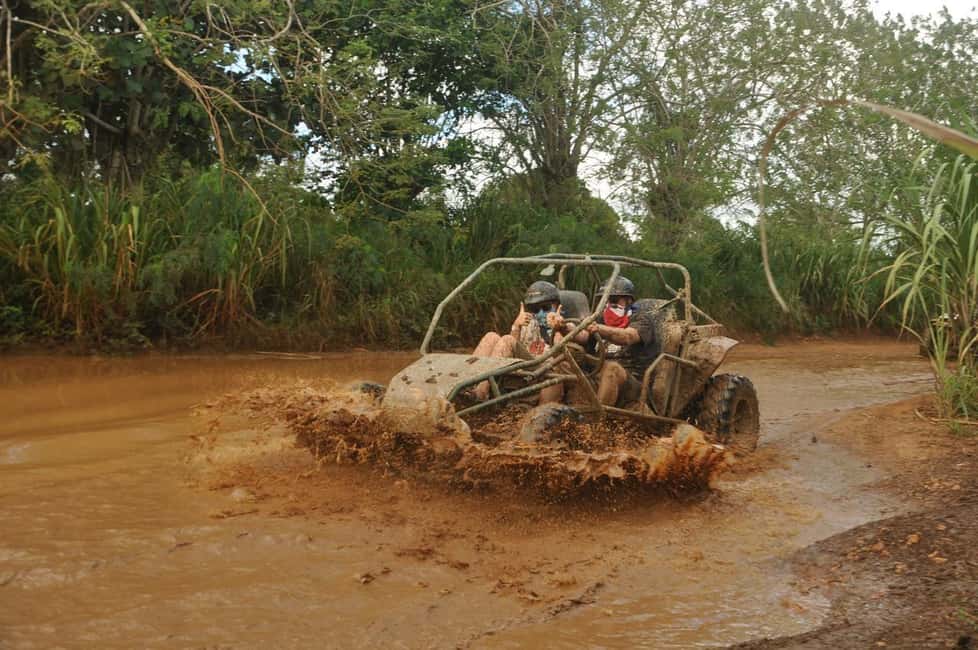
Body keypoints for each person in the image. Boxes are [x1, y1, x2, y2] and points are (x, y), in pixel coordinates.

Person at [472, 280, 585, 402]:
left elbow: (582, 336)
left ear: (557, 306)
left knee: (507, 340)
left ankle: (481, 393)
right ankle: (467, 386)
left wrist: (560, 328)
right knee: (491, 337)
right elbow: (509, 352)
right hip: (525, 371)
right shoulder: (529, 324)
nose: (540, 313)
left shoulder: (565, 325)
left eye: (546, 307)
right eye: (535, 309)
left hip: (547, 372)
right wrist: (516, 326)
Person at [586, 276, 659, 407]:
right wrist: (563, 326)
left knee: (611, 368)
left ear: (628, 300)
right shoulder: (599, 319)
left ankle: (597, 418)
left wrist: (599, 329)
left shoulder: (641, 319)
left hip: (633, 383)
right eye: (605, 300)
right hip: (596, 374)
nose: (609, 304)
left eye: (614, 300)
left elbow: (627, 337)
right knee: (562, 363)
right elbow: (582, 335)